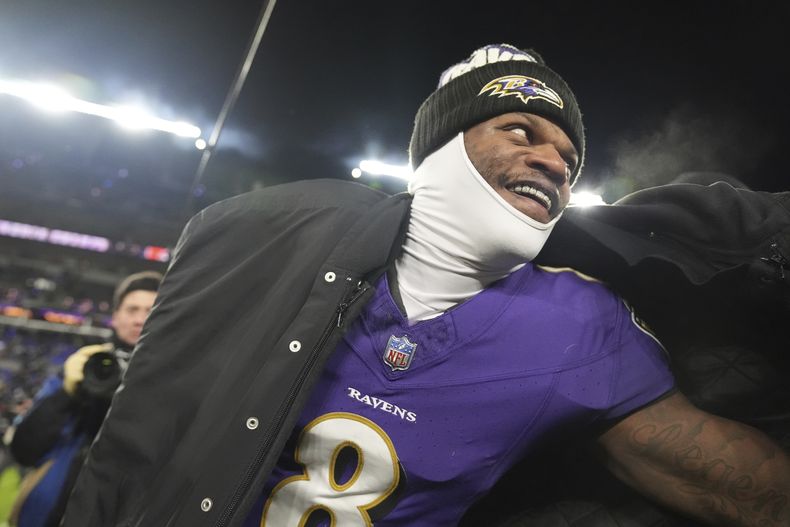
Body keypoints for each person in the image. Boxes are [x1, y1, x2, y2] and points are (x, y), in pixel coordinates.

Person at [62, 45, 789, 527]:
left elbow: (732, 482)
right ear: (442, 147)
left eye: (569, 154)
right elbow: (135, 449)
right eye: (521, 130)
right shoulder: (275, 233)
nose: (554, 161)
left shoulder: (575, 322)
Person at [8, 271, 162, 527]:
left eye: (150, 309)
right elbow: (24, 450)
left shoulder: (172, 379)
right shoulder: (85, 367)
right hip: (48, 513)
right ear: (115, 317)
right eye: (132, 309)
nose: (139, 319)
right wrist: (68, 392)